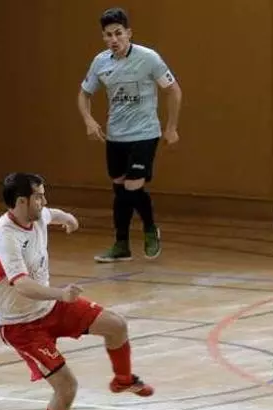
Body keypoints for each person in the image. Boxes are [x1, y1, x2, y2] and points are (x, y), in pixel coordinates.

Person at [0, 173, 155, 410]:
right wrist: (60, 294)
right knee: (66, 387)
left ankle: (123, 381)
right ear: (21, 201)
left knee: (116, 325)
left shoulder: (37, 215)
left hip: (50, 307)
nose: (44, 201)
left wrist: (68, 218)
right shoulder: (6, 235)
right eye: (39, 196)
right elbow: (22, 285)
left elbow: (52, 214)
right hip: (21, 325)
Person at [77, 6, 182, 263]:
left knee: (133, 187)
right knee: (120, 190)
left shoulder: (149, 59)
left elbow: (173, 91)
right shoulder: (101, 62)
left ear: (128, 33)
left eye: (118, 33)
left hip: (145, 134)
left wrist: (171, 127)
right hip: (115, 136)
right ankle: (121, 245)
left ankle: (150, 229)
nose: (114, 39)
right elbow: (84, 94)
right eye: (108, 35)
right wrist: (89, 120)